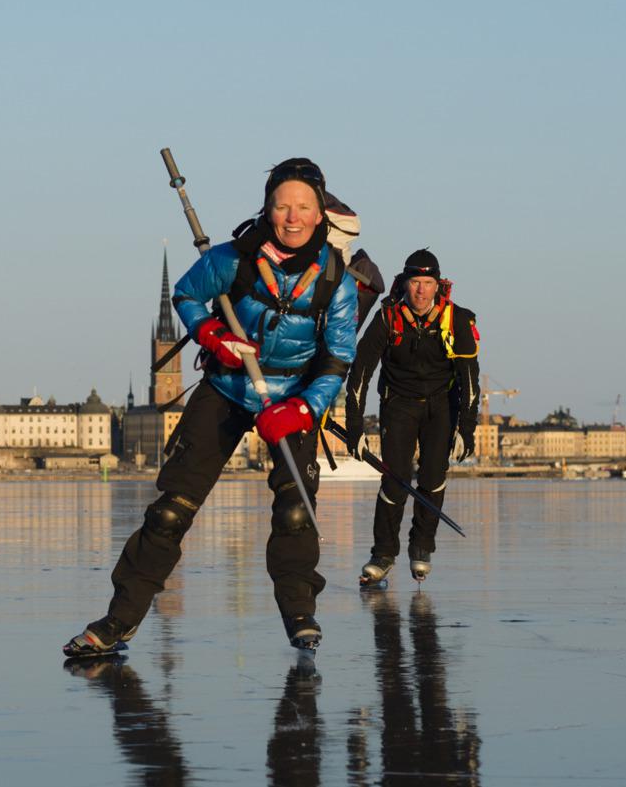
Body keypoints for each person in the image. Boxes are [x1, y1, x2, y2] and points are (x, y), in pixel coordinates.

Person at [65, 157, 359, 656]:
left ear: (320, 214)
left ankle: (299, 614)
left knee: (294, 510)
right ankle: (119, 619)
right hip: (225, 389)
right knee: (170, 512)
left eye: (303, 207)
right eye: (281, 205)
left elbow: (337, 360)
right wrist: (211, 334)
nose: (292, 216)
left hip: (289, 400)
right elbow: (187, 295)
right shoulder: (231, 259)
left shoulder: (337, 281)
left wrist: (305, 410)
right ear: (267, 209)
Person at [343, 248, 478, 584]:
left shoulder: (456, 320)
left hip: (441, 406)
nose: (420, 290)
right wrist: (354, 427)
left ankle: (422, 547)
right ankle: (383, 553)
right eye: (415, 282)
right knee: (396, 478)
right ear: (404, 284)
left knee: (433, 476)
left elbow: (470, 381)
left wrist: (467, 429)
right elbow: (360, 373)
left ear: (439, 286)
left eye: (427, 283)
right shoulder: (387, 318)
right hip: (398, 404)